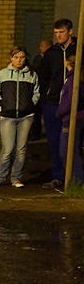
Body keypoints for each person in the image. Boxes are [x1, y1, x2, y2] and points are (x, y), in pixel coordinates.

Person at [0, 46, 40, 188]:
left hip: (26, 116)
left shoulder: (32, 75)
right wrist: (1, 103)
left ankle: (16, 178)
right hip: (8, 116)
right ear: (11, 58)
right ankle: (0, 177)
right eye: (16, 57)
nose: (19, 60)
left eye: (22, 57)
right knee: (8, 149)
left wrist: (31, 104)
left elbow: (36, 92)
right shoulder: (3, 74)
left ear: (25, 58)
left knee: (21, 149)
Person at [37, 19, 78, 189]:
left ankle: (74, 177)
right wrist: (45, 96)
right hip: (52, 103)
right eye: (56, 33)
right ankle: (58, 176)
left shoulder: (79, 49)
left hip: (73, 103)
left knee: (72, 142)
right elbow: (43, 77)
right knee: (54, 141)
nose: (59, 36)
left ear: (70, 31)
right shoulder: (51, 53)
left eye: (62, 32)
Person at [56, 54, 83, 188]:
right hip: (74, 118)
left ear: (67, 63)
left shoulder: (73, 79)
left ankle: (77, 181)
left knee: (67, 151)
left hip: (71, 119)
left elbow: (70, 100)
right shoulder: (73, 77)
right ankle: (75, 181)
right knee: (70, 151)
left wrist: (59, 112)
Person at [29, 39, 52, 140]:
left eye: (42, 46)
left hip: (47, 88)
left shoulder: (51, 58)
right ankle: (36, 133)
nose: (40, 48)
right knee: (36, 112)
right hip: (38, 87)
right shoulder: (38, 58)